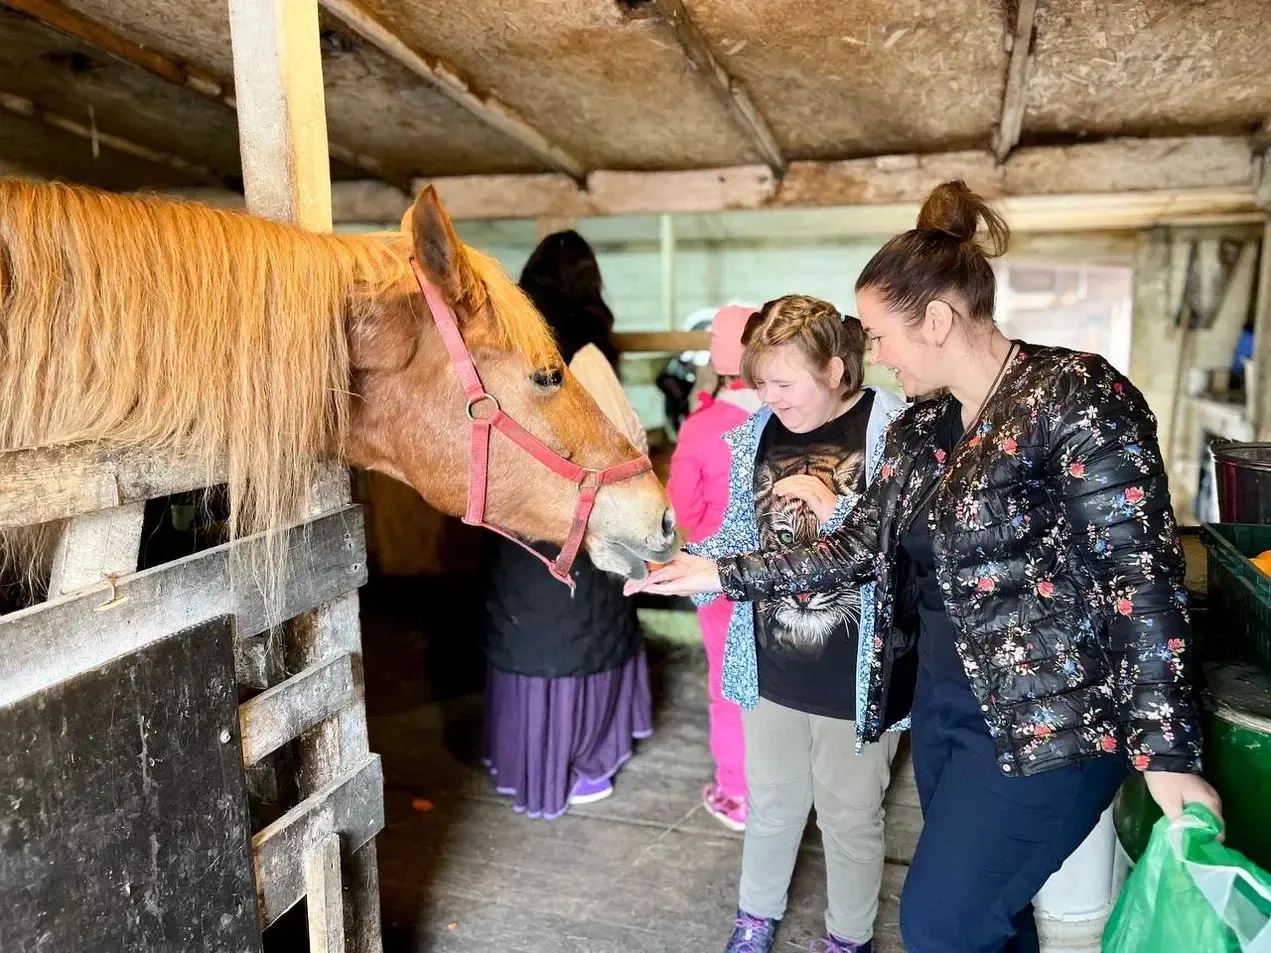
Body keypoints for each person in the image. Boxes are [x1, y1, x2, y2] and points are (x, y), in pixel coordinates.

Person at [627, 181, 1222, 953]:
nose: (871, 354)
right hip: (946, 705)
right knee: (990, 920)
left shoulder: (1074, 396)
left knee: (937, 923)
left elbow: (1140, 576)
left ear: (936, 321)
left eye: (877, 335)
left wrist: (1166, 752)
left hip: (1051, 720)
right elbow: (855, 548)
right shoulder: (920, 428)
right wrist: (716, 572)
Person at [690, 295, 905, 953]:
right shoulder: (757, 432)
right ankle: (753, 916)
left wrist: (836, 507)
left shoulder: (891, 428)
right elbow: (737, 531)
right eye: (760, 384)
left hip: (857, 673)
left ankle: (848, 937)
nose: (769, 397)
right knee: (772, 803)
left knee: (849, 815)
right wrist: (687, 564)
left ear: (835, 369)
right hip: (771, 662)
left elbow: (899, 549)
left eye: (783, 383)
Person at [480, 230, 651, 819]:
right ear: (590, 287)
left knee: (524, 629)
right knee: (582, 629)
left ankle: (522, 757)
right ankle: (581, 758)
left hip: (514, 519)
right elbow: (621, 438)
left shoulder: (505, 345)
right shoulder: (583, 354)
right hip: (577, 522)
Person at [666, 304, 763, 831]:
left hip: (719, 577)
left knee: (730, 687)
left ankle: (737, 793)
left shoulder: (702, 428)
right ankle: (789, 787)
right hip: (787, 574)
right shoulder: (790, 418)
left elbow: (680, 513)